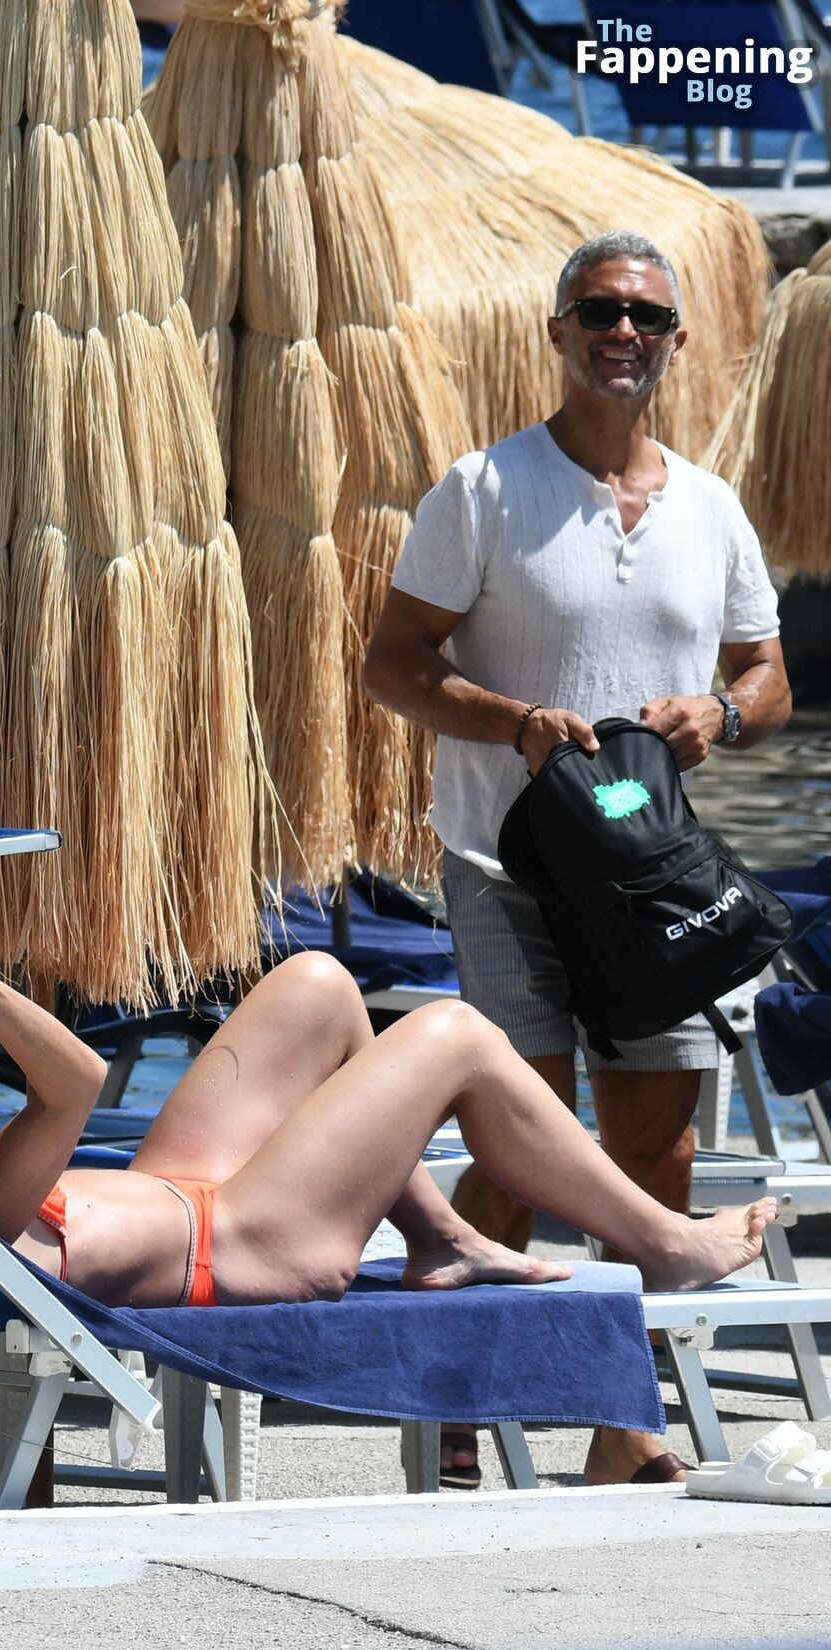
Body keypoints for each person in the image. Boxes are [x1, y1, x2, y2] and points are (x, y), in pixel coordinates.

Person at [0, 902, 774, 1483]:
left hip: (173, 1193)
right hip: (247, 1238)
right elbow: (74, 1080)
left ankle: (441, 1235)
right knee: (451, 1034)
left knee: (315, 985)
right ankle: (661, 1243)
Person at [363, 230, 792, 1487]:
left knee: (655, 1150)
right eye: (598, 312)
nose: (621, 334)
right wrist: (511, 722)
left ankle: (622, 1427)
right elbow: (390, 665)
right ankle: (456, 1397)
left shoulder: (709, 507)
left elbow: (764, 673)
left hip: (652, 878)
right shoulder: (482, 489)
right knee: (521, 1133)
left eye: (645, 318)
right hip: (503, 864)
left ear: (674, 342)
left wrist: (721, 715)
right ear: (555, 332)